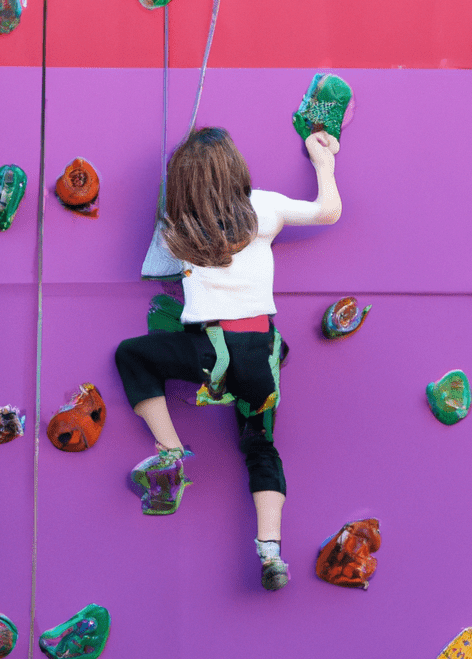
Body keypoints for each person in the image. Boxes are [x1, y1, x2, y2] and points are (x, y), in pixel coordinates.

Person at [115, 127, 341, 590]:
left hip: (209, 356)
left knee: (133, 356)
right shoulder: (265, 207)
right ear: (235, 167)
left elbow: (152, 271)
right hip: (262, 354)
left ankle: (171, 449)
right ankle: (270, 552)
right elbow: (328, 212)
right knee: (261, 446)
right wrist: (324, 164)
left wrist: (167, 210)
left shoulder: (178, 224)